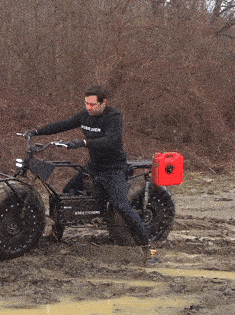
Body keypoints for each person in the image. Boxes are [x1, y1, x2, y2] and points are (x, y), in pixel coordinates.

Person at [24, 85, 158, 264]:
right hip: (94, 166)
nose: (88, 107)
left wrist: (84, 142)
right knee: (66, 192)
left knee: (122, 205)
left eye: (93, 104)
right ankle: (57, 234)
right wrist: (37, 132)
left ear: (103, 103)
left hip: (113, 168)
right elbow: (64, 124)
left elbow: (111, 140)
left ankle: (148, 249)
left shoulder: (114, 117)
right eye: (86, 103)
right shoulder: (84, 116)